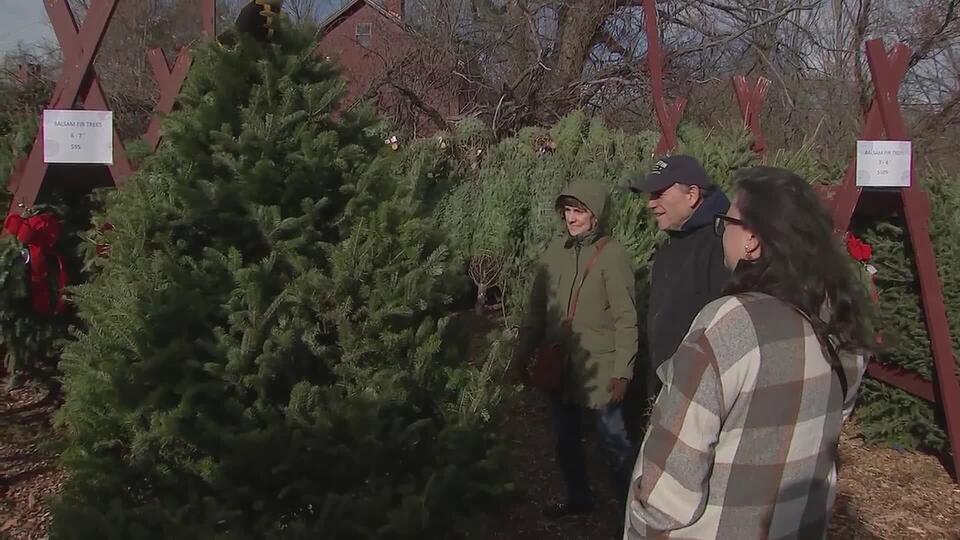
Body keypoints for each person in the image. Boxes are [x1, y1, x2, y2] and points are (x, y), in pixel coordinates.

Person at [624, 166, 874, 539]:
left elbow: (668, 493)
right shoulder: (840, 322)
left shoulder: (730, 322)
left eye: (727, 222)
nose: (721, 231)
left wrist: (639, 527)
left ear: (752, 239)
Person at [514, 178, 638, 517]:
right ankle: (578, 497)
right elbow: (536, 310)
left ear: (595, 215)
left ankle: (631, 515)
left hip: (600, 369)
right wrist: (521, 355)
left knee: (614, 443)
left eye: (579, 211)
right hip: (561, 363)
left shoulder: (613, 256)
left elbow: (626, 319)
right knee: (564, 438)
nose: (571, 218)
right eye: (568, 210)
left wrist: (623, 373)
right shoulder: (555, 252)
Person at [628, 155, 731, 409]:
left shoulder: (722, 246)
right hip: (666, 390)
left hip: (700, 397)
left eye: (659, 194)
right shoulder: (671, 245)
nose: (650, 204)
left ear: (692, 195)